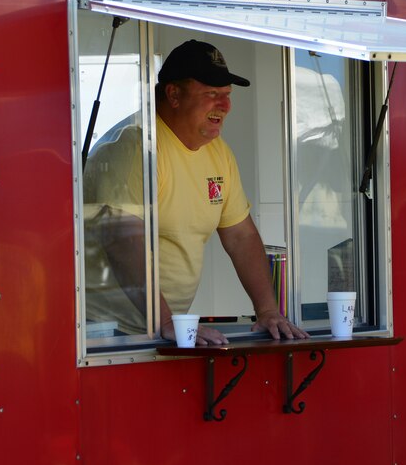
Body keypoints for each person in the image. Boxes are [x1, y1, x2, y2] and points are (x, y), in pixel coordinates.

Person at [83, 39, 307, 345]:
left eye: (227, 95)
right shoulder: (134, 147)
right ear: (174, 94)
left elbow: (241, 237)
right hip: (106, 332)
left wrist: (268, 311)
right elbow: (123, 242)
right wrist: (164, 321)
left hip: (162, 329)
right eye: (212, 94)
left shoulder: (218, 153)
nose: (225, 106)